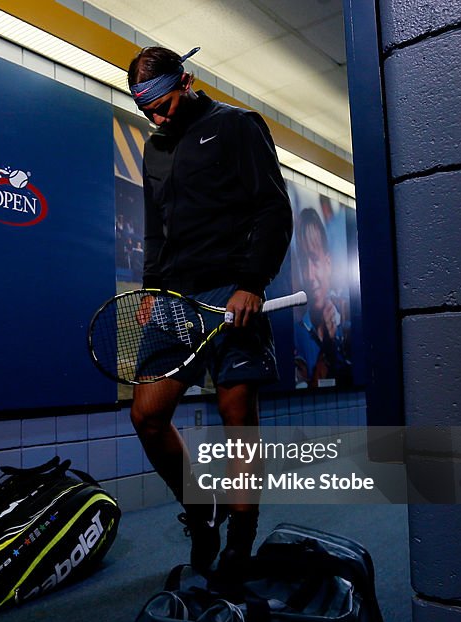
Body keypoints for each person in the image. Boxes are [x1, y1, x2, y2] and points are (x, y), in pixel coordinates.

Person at [127, 46, 293, 581]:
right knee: (148, 417)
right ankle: (201, 512)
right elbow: (156, 228)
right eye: (147, 110)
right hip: (174, 298)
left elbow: (273, 206)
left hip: (230, 291)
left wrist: (252, 283)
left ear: (187, 81)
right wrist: (152, 288)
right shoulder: (155, 148)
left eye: (166, 105)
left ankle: (241, 536)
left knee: (237, 417)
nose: (159, 118)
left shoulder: (238, 125)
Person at [292, 208, 352, 388]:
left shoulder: (347, 321)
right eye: (304, 263)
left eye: (315, 260)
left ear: (328, 263)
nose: (309, 276)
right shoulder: (297, 334)